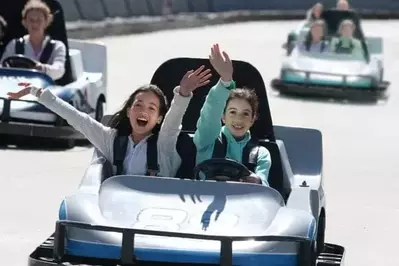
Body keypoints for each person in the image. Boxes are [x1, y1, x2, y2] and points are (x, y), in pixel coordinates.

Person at [7, 65, 212, 178]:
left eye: (151, 108)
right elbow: (77, 119)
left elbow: (174, 119)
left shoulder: (164, 145)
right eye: (138, 105)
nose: (143, 111)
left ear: (159, 118)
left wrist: (184, 92)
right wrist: (37, 92)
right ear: (129, 110)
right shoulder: (111, 139)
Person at [193, 44, 272, 186]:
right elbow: (209, 114)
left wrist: (257, 180)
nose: (238, 119)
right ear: (222, 117)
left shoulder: (260, 154)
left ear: (253, 119)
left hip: (243, 203)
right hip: (203, 199)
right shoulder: (207, 141)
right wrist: (225, 81)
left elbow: (263, 184)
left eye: (245, 114)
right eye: (232, 112)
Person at [0, 0, 66, 80]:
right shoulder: (14, 45)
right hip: (19, 87)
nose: (35, 24)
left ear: (46, 22)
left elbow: (59, 69)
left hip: (45, 88)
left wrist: (42, 68)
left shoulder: (57, 46)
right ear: (25, 23)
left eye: (39, 20)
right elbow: (2, 67)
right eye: (31, 20)